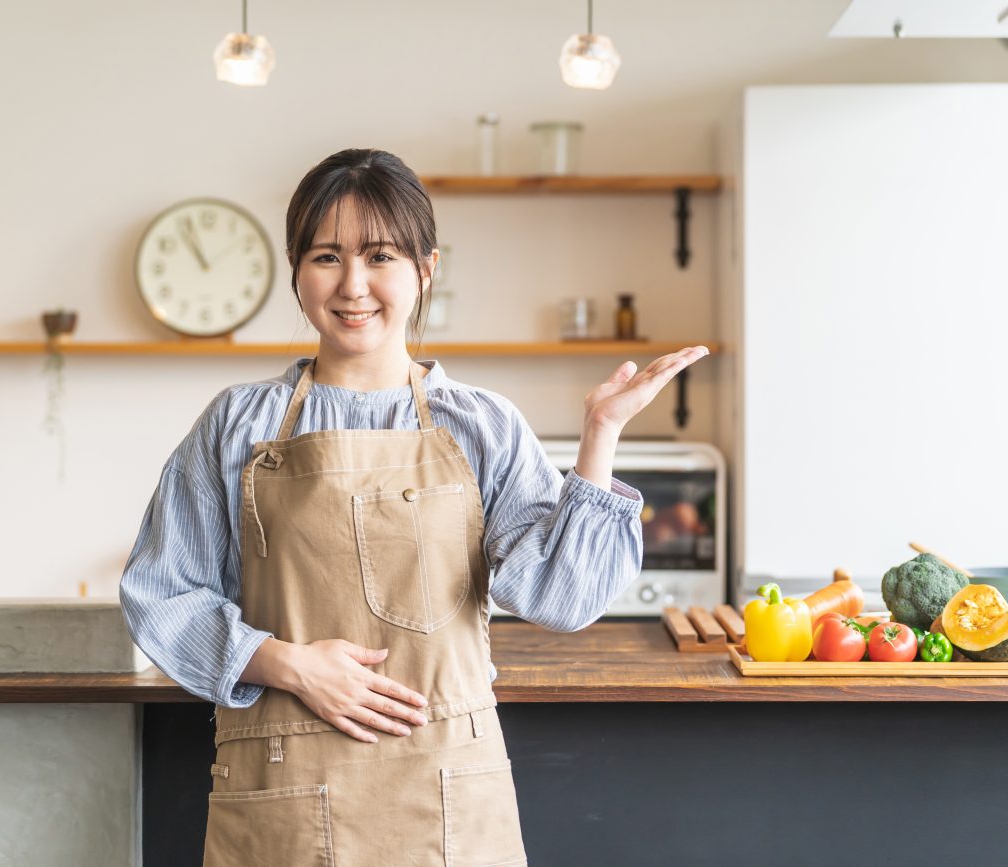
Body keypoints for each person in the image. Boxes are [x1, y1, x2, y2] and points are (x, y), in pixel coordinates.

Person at [119, 147, 709, 866]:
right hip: (282, 785)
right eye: (327, 256)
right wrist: (288, 664)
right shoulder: (238, 423)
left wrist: (601, 434)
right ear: (296, 270)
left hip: (448, 792)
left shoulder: (482, 423)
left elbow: (558, 598)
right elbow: (161, 591)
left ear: (427, 269)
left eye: (381, 256)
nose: (353, 284)